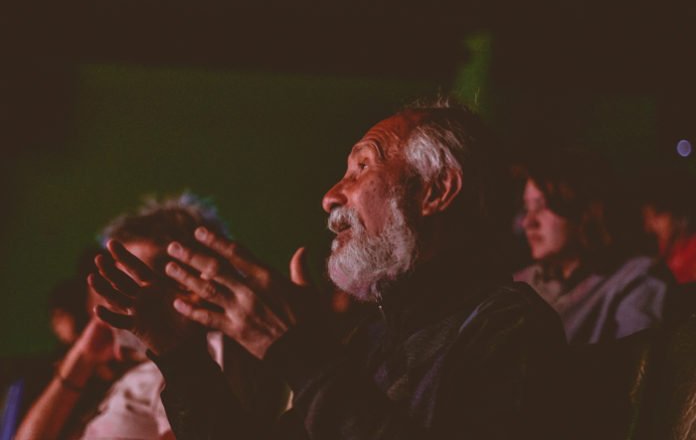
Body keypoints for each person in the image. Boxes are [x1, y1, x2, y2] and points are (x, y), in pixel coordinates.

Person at [93, 99, 568, 439]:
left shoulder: (510, 327)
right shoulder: (374, 338)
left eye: (362, 167)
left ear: (437, 191)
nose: (331, 196)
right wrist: (182, 357)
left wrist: (298, 352)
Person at [17, 194, 286, 439]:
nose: (110, 301)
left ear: (187, 285)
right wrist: (81, 358)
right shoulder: (131, 376)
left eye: (125, 282)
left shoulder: (203, 360)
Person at [514, 151, 670, 344]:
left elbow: (637, 357)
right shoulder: (521, 283)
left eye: (543, 206)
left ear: (583, 209)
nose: (528, 222)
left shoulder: (634, 279)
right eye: (526, 209)